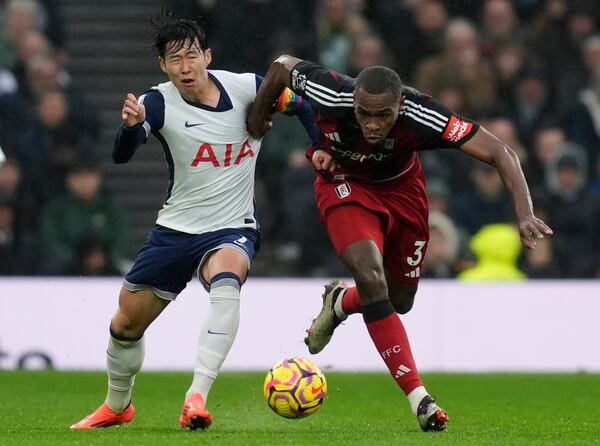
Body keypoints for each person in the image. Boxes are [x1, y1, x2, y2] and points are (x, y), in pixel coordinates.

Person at [247, 55, 553, 432]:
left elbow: (500, 151)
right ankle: (419, 398)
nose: (372, 124)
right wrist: (257, 118)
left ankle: (341, 302)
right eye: (364, 114)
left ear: (400, 107)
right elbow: (280, 67)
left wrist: (524, 211)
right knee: (370, 274)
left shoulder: (425, 114)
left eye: (384, 116)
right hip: (346, 188)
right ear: (354, 102)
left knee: (398, 300)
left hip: (403, 194)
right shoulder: (330, 90)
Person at [70, 14, 314, 431]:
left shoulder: (247, 87)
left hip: (232, 226)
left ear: (208, 56)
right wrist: (129, 129)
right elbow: (121, 155)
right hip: (175, 230)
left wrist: (321, 147)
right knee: (125, 323)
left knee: (227, 279)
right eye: (174, 59)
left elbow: (301, 104)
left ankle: (196, 397)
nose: (185, 67)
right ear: (162, 66)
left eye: (191, 56)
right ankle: (117, 405)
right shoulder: (158, 102)